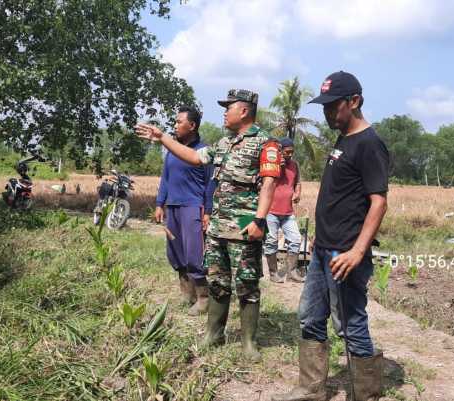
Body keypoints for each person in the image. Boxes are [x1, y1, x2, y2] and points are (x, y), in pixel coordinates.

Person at [136, 89, 281, 361]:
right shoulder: (224, 144)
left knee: (247, 284)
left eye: (229, 107)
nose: (224, 112)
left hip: (245, 227)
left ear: (245, 111)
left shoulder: (266, 144)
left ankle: (249, 342)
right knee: (217, 282)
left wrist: (259, 220)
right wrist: (162, 138)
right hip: (218, 229)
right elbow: (193, 157)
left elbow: (269, 184)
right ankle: (214, 333)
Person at [273, 71, 393, 401]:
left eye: (333, 106)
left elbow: (378, 203)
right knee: (310, 317)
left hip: (345, 256)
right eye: (324, 106)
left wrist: (356, 252)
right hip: (323, 249)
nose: (327, 113)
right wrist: (319, 237)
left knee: (351, 325)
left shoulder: (370, 144)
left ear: (354, 102)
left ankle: (365, 395)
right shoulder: (343, 139)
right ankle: (311, 389)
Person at [155, 106, 216, 315]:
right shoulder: (171, 151)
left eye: (179, 122)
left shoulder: (203, 151)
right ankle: (187, 294)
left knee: (194, 254)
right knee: (175, 253)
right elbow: (166, 178)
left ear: (192, 125)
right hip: (172, 207)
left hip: (193, 207)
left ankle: (203, 298)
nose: (175, 125)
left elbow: (211, 183)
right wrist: (159, 203)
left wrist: (207, 211)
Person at [264, 137, 304, 283]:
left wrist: (297, 193)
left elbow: (297, 183)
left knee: (295, 239)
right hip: (271, 211)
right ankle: (274, 274)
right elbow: (265, 182)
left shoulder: (295, 165)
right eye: (287, 152)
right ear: (280, 151)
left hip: (288, 212)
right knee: (271, 241)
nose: (290, 155)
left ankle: (291, 272)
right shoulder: (271, 164)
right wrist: (278, 166)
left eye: (291, 152)